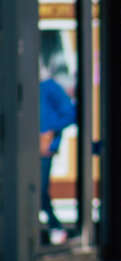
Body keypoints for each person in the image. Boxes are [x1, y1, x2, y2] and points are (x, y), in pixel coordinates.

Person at [40, 76, 76, 245]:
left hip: (43, 150)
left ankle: (55, 226)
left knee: (40, 190)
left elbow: (70, 113)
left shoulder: (49, 87)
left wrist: (49, 132)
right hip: (21, 147)